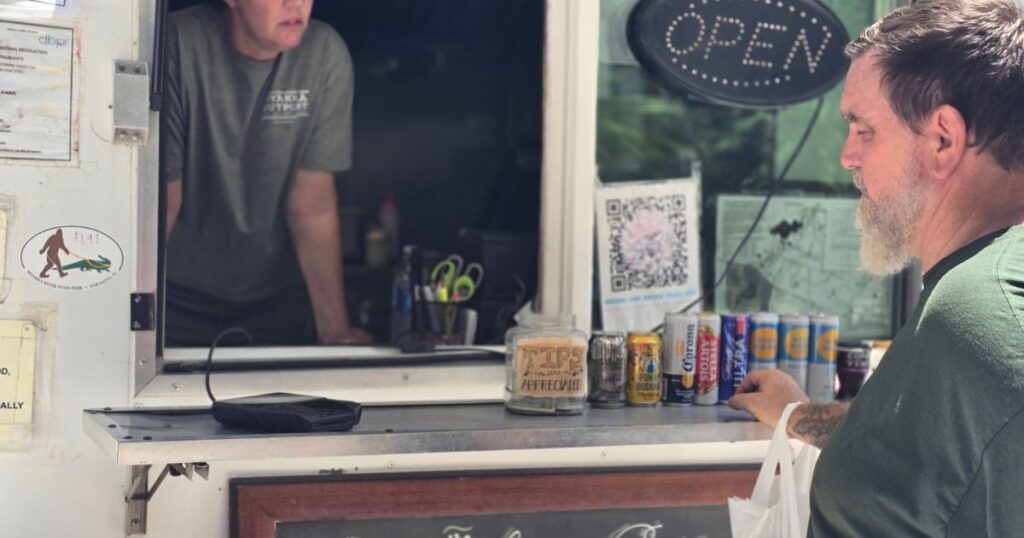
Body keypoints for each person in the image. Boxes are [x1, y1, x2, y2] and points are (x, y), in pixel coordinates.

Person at [727, 0, 1024, 535]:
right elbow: (943, 446)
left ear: (942, 139)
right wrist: (798, 416)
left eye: (863, 129)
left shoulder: (982, 311)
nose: (847, 156)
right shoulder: (974, 292)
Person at [161, 0, 370, 346]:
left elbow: (312, 206)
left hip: (277, 303)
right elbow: (161, 201)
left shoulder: (323, 53)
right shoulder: (177, 43)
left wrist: (336, 332)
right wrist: (128, 320)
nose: (295, 4)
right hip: (176, 301)